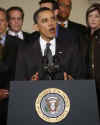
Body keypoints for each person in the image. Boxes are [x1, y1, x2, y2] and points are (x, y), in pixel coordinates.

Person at [15, 7, 84, 80]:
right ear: (36, 27)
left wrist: (71, 81)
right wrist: (30, 84)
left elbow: (80, 78)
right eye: (45, 21)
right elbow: (19, 82)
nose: (51, 23)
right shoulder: (25, 51)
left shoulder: (71, 48)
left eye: (53, 19)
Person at [0, 7, 21, 125]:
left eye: (1, 20)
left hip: (12, 100)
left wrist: (9, 91)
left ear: (7, 23)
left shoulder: (19, 44)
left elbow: (21, 72)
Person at [85, 3, 100, 117]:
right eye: (90, 16)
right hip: (87, 85)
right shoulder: (83, 36)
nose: (93, 19)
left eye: (97, 16)